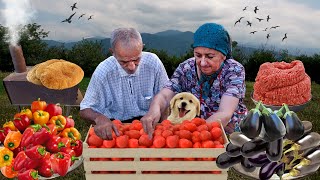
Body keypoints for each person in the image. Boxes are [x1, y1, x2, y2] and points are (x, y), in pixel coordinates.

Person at [141, 23, 247, 138]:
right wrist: (154, 108)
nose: (202, 62)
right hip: (194, 130)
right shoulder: (186, 68)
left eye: (210, 56)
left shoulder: (234, 70)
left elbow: (225, 113)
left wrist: (195, 135)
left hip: (228, 132)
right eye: (198, 55)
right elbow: (165, 95)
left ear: (224, 55)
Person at [80, 28, 169, 140]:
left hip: (150, 124)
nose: (132, 67)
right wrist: (99, 118)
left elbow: (166, 96)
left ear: (142, 47)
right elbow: (85, 109)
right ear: (113, 52)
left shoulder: (153, 62)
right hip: (116, 127)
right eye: (124, 62)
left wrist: (164, 126)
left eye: (136, 59)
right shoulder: (103, 72)